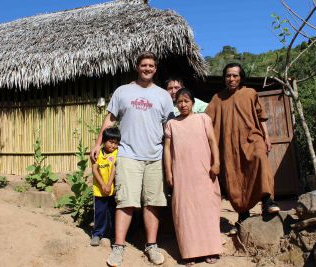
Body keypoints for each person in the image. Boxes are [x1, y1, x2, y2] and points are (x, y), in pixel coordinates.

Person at [90, 51, 174, 266]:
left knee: (153, 203)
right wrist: (98, 143)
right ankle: (118, 247)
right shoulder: (123, 91)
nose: (147, 68)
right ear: (137, 67)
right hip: (128, 155)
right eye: (144, 65)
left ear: (156, 69)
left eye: (151, 65)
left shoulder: (163, 95)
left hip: (155, 156)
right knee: (125, 202)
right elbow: (110, 119)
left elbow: (170, 126)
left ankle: (151, 246)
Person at [205, 63, 280, 232]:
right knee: (235, 177)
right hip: (229, 146)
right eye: (228, 76)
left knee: (260, 159)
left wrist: (267, 137)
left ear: (241, 78)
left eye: (235, 76)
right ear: (224, 78)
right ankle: (243, 214)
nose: (231, 79)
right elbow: (206, 120)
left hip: (251, 138)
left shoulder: (250, 93)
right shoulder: (217, 98)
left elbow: (261, 117)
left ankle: (267, 200)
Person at [164, 88, 222, 265]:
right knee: (185, 211)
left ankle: (210, 249)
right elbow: (167, 149)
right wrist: (168, 172)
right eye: (179, 102)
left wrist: (216, 163)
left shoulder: (203, 119)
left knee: (207, 209)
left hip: (204, 172)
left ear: (193, 103)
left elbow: (213, 141)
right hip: (182, 174)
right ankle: (190, 252)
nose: (183, 105)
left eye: (186, 101)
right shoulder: (171, 124)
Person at [90, 127, 120, 246]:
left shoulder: (117, 153)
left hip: (112, 190)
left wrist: (108, 185)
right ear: (104, 141)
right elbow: (94, 169)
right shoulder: (97, 154)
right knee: (100, 213)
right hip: (99, 190)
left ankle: (112, 235)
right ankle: (97, 234)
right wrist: (103, 185)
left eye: (116, 143)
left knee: (113, 213)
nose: (113, 146)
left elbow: (114, 168)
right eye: (111, 142)